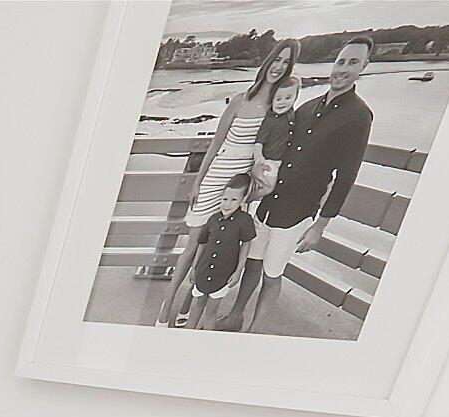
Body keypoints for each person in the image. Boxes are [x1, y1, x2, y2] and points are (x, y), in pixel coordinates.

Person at [155, 41, 297, 326]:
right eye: (276, 59)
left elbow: (277, 150)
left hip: (241, 183)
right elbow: (215, 145)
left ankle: (187, 304)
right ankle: (167, 304)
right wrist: (198, 181)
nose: (278, 66)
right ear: (268, 61)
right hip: (218, 172)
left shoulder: (279, 109)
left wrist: (263, 178)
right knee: (194, 244)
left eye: (286, 62)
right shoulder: (239, 100)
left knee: (221, 245)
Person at [240, 36, 375, 334]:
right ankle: (236, 315)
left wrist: (320, 227)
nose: (343, 69)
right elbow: (278, 145)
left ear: (364, 66)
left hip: (298, 211)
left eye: (353, 62)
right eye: (341, 61)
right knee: (252, 261)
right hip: (270, 202)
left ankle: (252, 331)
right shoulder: (306, 106)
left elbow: (347, 176)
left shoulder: (359, 116)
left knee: (272, 272)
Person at [167, 171, 259, 328]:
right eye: (225, 199)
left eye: (233, 200)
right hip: (203, 271)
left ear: (243, 200)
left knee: (210, 312)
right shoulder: (212, 219)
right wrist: (194, 268)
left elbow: (246, 245)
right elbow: (202, 244)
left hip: (222, 275)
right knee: (196, 308)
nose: (227, 204)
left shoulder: (245, 221)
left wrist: (238, 271)